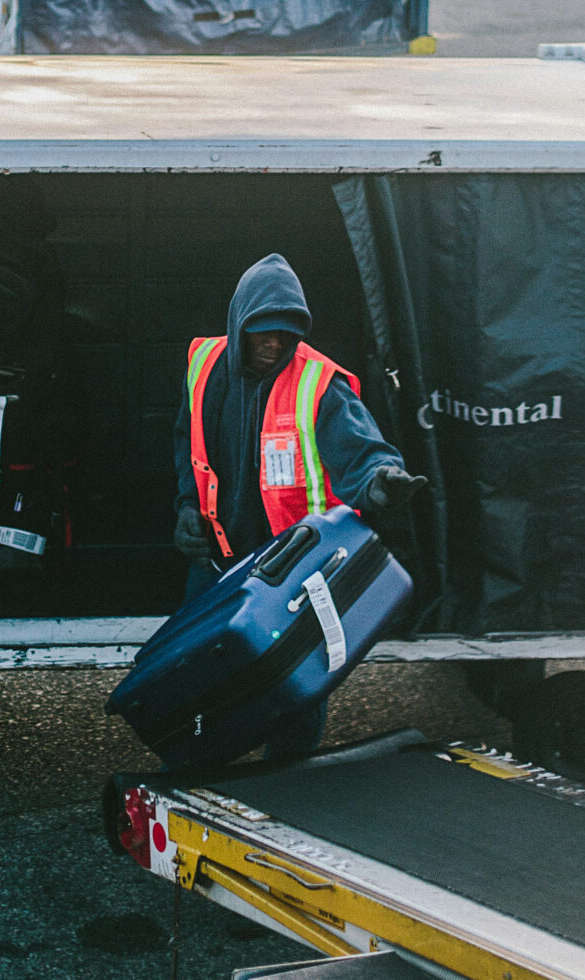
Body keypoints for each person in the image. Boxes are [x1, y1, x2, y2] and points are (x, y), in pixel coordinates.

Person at [171, 253, 424, 760]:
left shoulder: (318, 386)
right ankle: (194, 777)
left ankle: (286, 789)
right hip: (218, 561)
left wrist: (380, 482)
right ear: (239, 324)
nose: (274, 344)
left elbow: (362, 452)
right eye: (263, 332)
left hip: (292, 576)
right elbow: (187, 443)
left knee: (295, 692)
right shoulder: (204, 368)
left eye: (286, 334)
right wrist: (185, 509)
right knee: (192, 681)